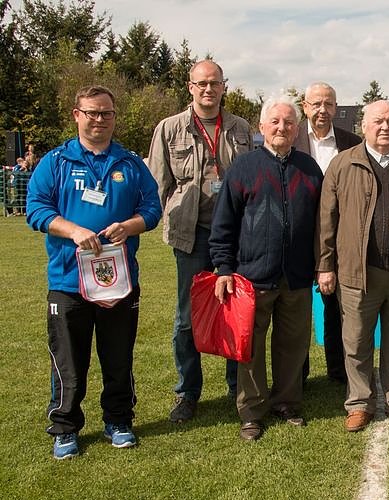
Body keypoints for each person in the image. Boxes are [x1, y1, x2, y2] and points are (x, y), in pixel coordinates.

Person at [26, 85, 162, 459]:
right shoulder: (55, 162)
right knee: (69, 361)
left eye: (106, 113)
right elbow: (35, 209)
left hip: (118, 281)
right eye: (92, 113)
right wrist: (73, 230)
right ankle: (65, 426)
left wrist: (130, 225)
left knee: (118, 357)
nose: (99, 120)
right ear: (77, 115)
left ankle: (118, 421)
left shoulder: (131, 164)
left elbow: (152, 207)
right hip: (68, 281)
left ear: (114, 117)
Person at [209, 96, 323, 441]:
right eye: (274, 122)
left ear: (297, 129)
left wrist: (321, 265)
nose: (282, 128)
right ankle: (252, 411)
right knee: (251, 349)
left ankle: (287, 402)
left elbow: (322, 224)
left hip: (298, 277)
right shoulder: (243, 168)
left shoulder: (310, 168)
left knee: (293, 345)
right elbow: (224, 224)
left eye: (289, 123)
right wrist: (224, 268)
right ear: (261, 127)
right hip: (252, 277)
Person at [148, 60, 253, 423]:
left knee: (234, 312)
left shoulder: (241, 128)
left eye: (215, 83)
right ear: (190, 87)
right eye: (201, 84)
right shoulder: (169, 128)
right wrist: (169, 222)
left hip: (235, 236)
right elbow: (157, 186)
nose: (208, 90)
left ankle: (234, 386)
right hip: (191, 235)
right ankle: (187, 392)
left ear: (225, 86)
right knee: (186, 318)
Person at [317, 99, 389, 432]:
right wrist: (325, 265)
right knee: (355, 341)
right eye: (378, 121)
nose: (385, 127)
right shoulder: (342, 164)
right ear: (363, 126)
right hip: (358, 272)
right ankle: (359, 404)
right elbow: (327, 220)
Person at [294, 82, 362, 384]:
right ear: (305, 106)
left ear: (336, 107)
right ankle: (298, 372)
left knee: (336, 306)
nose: (323, 110)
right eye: (316, 104)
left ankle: (338, 371)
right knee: (294, 309)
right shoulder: (289, 137)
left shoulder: (351, 142)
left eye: (329, 104)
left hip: (337, 235)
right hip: (297, 233)